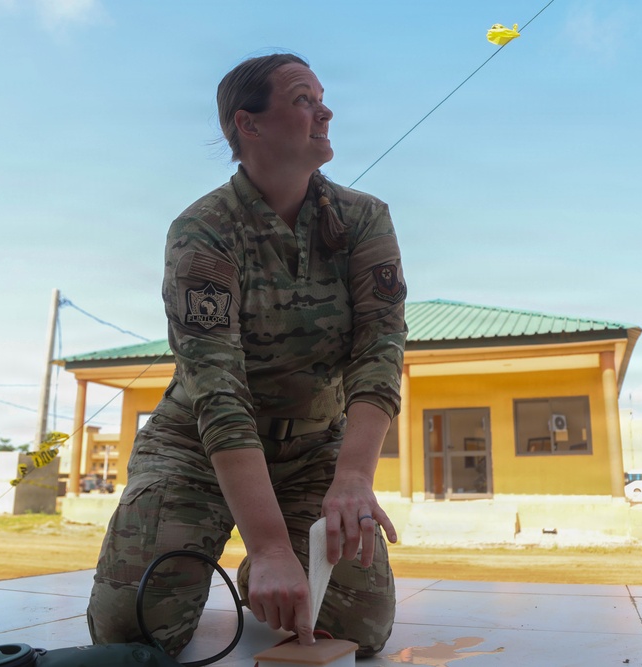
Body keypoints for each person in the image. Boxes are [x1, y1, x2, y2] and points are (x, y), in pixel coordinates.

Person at [87, 53, 407, 659]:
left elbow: (380, 347)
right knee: (133, 634)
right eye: (302, 99)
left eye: (321, 96)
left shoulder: (364, 220)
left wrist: (353, 479)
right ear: (249, 125)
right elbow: (219, 389)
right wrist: (269, 546)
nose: (325, 110)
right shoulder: (203, 230)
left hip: (316, 449)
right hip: (197, 449)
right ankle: (261, 555)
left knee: (359, 629)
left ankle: (257, 570)